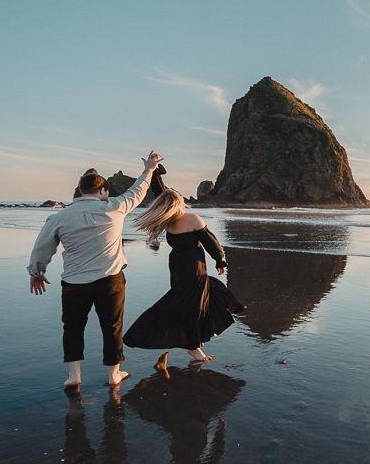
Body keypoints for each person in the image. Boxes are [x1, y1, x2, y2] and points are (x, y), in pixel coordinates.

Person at [28, 150, 163, 389]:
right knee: (111, 326)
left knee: (72, 326)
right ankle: (114, 374)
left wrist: (36, 273)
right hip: (109, 280)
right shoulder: (115, 207)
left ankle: (74, 376)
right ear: (103, 191)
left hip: (74, 283)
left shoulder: (60, 216)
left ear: (80, 191)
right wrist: (149, 168)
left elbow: (42, 247)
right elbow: (138, 191)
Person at [124, 177, 245, 364]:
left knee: (188, 301)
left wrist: (155, 173)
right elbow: (211, 242)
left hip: (177, 266)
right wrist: (220, 261)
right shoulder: (191, 219)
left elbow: (163, 194)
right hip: (193, 266)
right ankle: (194, 347)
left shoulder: (169, 220)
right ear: (178, 202)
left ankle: (194, 344)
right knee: (194, 305)